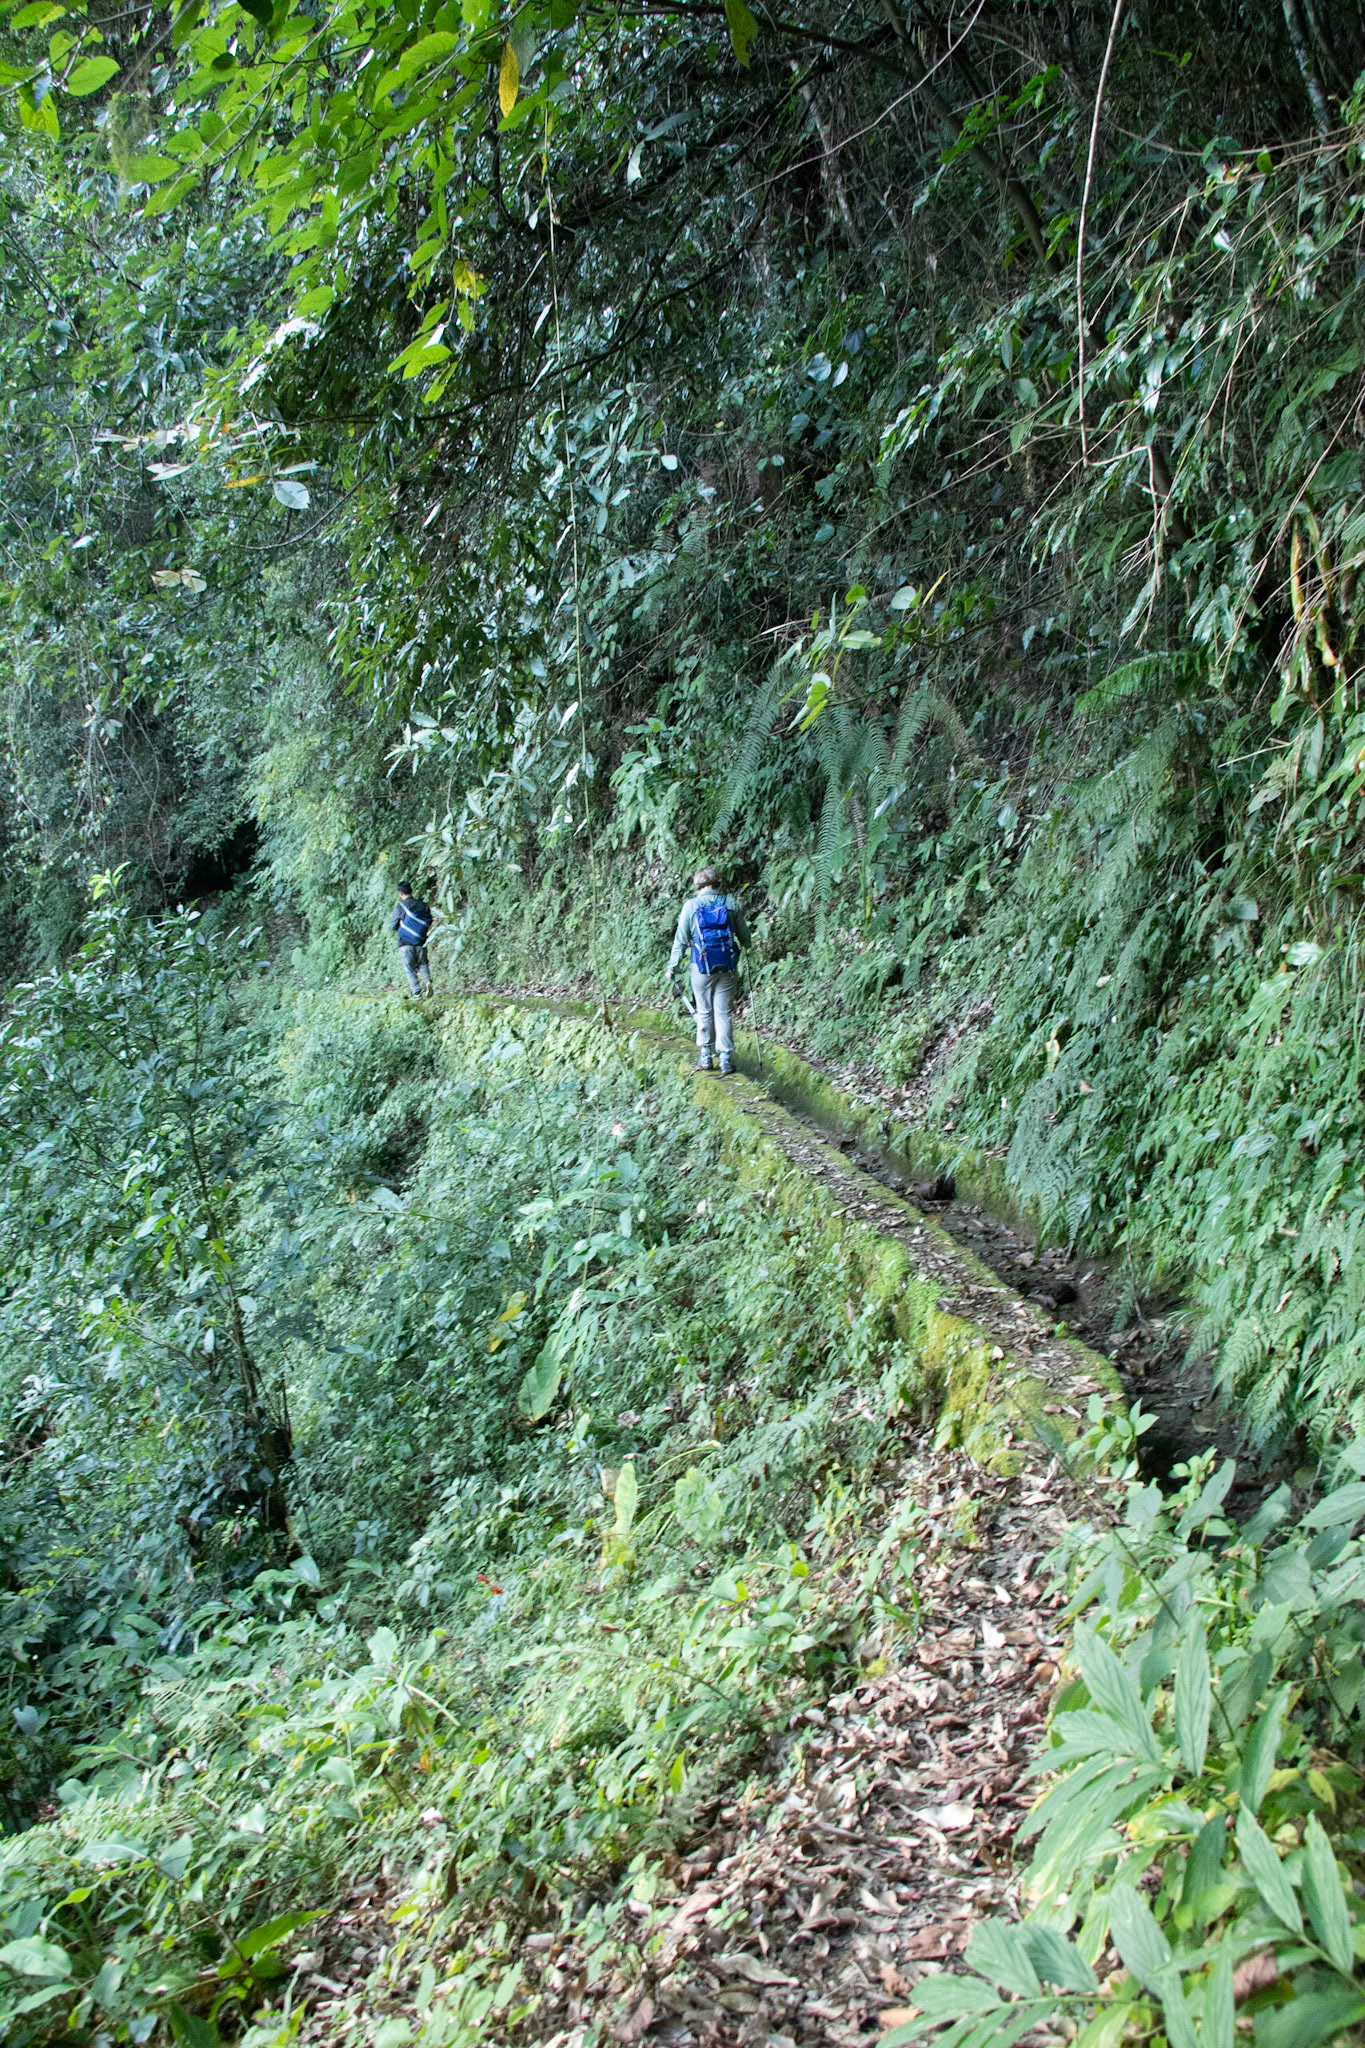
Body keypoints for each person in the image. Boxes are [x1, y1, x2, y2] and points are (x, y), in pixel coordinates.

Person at [667, 866, 750, 1074]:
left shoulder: (691, 906)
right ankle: (726, 1059)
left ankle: (706, 1055)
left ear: (698, 885)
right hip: (727, 966)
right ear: (718, 882)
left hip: (700, 967)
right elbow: (746, 939)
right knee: (723, 1012)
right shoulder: (731, 904)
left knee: (704, 1010)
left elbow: (681, 940)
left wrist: (672, 967)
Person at [390, 882, 434, 997]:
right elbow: (429, 921)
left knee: (409, 968)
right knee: (423, 964)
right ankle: (427, 982)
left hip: (405, 943)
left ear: (400, 893)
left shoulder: (400, 907)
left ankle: (416, 992)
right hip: (421, 942)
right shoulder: (423, 905)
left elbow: (393, 925)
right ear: (411, 891)